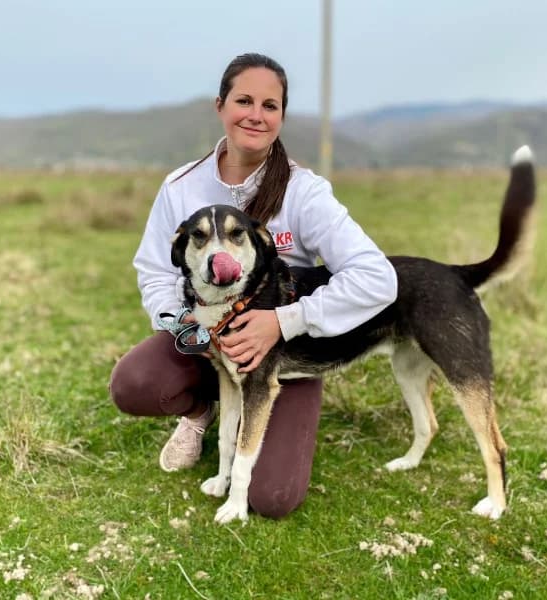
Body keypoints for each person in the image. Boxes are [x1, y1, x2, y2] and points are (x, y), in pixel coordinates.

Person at [109, 53, 397, 519]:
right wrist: (188, 330)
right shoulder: (181, 187)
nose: (256, 115)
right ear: (220, 105)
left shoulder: (304, 191)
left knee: (273, 498)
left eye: (270, 105)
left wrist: (285, 321)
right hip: (206, 332)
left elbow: (376, 275)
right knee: (136, 383)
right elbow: (155, 271)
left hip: (282, 350)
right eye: (244, 100)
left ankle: (258, 414)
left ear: (282, 115)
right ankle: (201, 410)